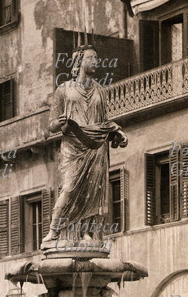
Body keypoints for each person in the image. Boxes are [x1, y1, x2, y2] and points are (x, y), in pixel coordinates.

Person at [41, 45, 127, 247]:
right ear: (79, 62)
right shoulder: (63, 90)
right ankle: (54, 230)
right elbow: (52, 124)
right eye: (91, 58)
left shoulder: (100, 91)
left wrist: (117, 131)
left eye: (96, 58)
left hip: (96, 146)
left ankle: (86, 233)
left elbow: (104, 120)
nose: (95, 62)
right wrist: (60, 123)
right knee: (70, 188)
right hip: (73, 145)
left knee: (93, 190)